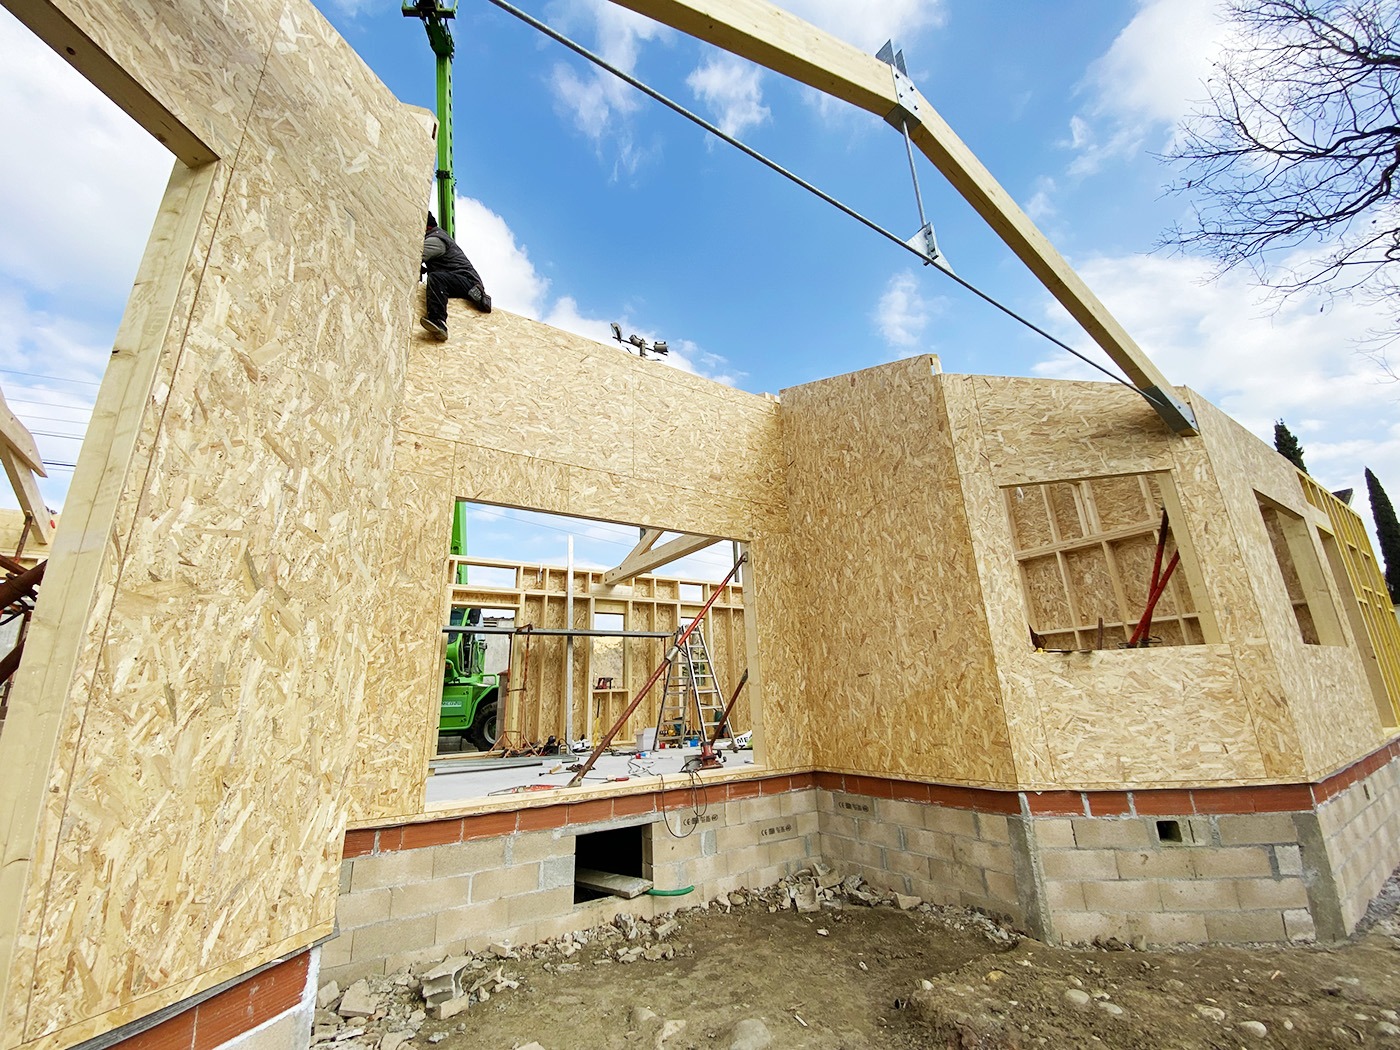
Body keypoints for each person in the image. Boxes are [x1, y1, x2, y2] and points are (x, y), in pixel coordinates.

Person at [420, 212, 491, 340]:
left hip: (467, 281)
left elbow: (415, 256)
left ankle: (438, 321)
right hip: (457, 277)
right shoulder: (437, 236)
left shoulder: (436, 239)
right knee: (437, 279)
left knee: (436, 279)